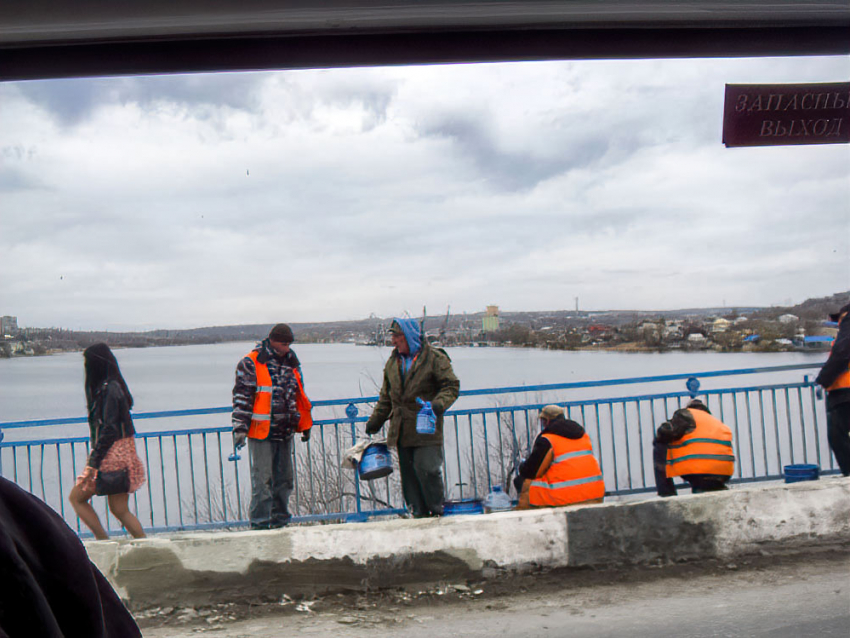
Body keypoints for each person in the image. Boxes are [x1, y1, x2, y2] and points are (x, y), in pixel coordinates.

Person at [1, 476, 142, 637]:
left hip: (108, 466)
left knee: (89, 502)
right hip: (116, 466)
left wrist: (92, 468)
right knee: (117, 508)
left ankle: (107, 538)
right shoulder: (18, 507)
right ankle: (131, 539)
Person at [365, 317, 460, 517]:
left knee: (427, 469)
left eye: (397, 337)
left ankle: (437, 510)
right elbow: (386, 397)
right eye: (392, 336)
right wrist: (375, 421)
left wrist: (438, 404)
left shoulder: (434, 358)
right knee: (409, 478)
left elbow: (450, 386)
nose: (393, 341)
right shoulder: (393, 363)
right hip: (402, 429)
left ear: (409, 337)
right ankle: (418, 514)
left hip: (426, 425)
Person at [232, 323, 312, 529]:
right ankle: (260, 526)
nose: (287, 348)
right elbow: (242, 397)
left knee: (284, 482)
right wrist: (240, 427)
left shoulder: (292, 362)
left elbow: (298, 395)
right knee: (263, 483)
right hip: (261, 433)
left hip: (285, 431)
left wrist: (303, 424)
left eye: (289, 344)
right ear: (272, 340)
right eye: (283, 343)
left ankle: (280, 524)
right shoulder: (251, 362)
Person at [68, 343, 146, 540]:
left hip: (111, 458)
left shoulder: (108, 389)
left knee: (77, 498)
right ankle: (144, 545)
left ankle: (104, 541)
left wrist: (93, 463)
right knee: (120, 509)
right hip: (121, 455)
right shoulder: (115, 386)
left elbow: (108, 429)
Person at [513, 405, 605, 509]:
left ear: (546, 421)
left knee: (524, 482)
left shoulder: (547, 439)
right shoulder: (583, 436)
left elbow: (532, 472)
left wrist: (523, 467)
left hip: (566, 496)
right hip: (595, 493)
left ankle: (524, 519)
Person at [653, 398, 734, 497]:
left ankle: (666, 493)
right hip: (724, 473)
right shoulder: (718, 423)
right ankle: (715, 486)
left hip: (698, 472)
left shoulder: (686, 414)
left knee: (660, 444)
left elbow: (666, 432)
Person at [815, 302, 850, 476]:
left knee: (837, 435)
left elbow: (841, 353)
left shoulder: (848, 325)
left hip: (845, 391)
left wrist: (823, 380)